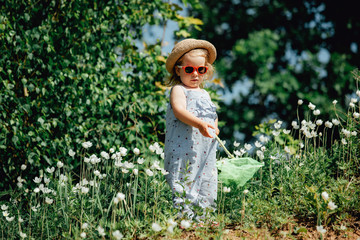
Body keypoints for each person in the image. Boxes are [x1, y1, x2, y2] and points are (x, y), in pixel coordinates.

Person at [163, 38, 219, 221]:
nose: (195, 74)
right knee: (183, 178)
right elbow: (179, 111)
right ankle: (184, 219)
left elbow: (212, 114)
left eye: (200, 70)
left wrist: (214, 128)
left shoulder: (205, 94)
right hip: (183, 146)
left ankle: (203, 218)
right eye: (189, 69)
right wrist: (200, 124)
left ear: (206, 70)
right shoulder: (178, 89)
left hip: (204, 149)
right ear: (179, 70)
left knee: (206, 180)